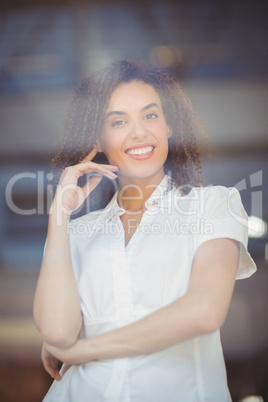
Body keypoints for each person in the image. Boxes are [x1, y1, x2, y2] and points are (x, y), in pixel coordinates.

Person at [33, 60, 256, 402]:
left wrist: (86, 349)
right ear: (97, 137)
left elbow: (205, 311)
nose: (139, 132)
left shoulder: (213, 205)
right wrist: (59, 215)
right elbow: (58, 334)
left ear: (169, 126)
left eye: (151, 115)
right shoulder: (76, 233)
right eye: (119, 121)